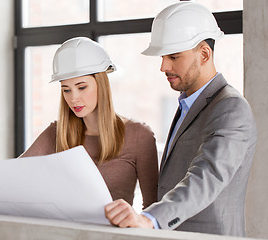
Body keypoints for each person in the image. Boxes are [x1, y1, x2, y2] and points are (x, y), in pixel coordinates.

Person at [0, 37, 159, 212]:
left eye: (82, 87)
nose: (74, 98)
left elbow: (153, 210)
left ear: (101, 84)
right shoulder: (57, 132)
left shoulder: (139, 135)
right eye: (66, 89)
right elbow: (7, 181)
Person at [105, 2, 257, 237]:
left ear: (204, 54)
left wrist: (150, 219)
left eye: (174, 57)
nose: (164, 66)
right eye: (164, 57)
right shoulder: (188, 103)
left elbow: (207, 175)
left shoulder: (230, 107)